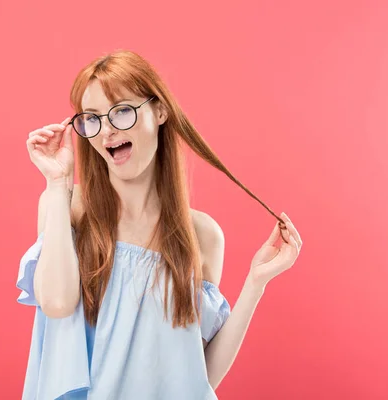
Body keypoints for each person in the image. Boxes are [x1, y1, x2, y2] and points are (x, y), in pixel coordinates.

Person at [18, 50, 303, 400]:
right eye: (92, 118)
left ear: (160, 111)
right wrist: (56, 181)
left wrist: (256, 282)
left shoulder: (202, 235)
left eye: (122, 111)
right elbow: (58, 303)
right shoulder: (64, 204)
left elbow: (197, 376)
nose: (106, 131)